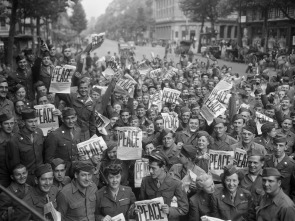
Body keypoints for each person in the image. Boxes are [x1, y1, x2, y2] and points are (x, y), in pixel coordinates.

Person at [140, 150, 189, 221]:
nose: (150, 171)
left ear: (163, 167)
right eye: (149, 167)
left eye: (153, 168)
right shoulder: (145, 181)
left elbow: (184, 209)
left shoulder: (176, 183)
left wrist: (170, 210)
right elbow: (142, 202)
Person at [6, 109, 44, 185]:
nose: (34, 124)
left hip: (40, 176)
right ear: (23, 122)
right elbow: (15, 166)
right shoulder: (14, 140)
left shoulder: (39, 132)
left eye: (35, 121)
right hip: (26, 179)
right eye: (30, 122)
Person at [44, 107, 81, 173]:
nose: (71, 121)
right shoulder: (55, 135)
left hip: (76, 170)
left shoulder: (78, 130)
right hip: (62, 172)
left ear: (76, 117)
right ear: (62, 119)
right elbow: (48, 159)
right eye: (67, 119)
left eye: (73, 118)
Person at [264, 133, 295, 200]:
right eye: (276, 145)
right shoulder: (266, 160)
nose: (278, 148)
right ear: (272, 145)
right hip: (266, 199)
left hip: (282, 201)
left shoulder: (291, 164)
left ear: (286, 147)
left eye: (281, 145)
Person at [0, 113, 15, 187]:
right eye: (6, 123)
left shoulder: (16, 138)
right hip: (2, 179)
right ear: (1, 125)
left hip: (16, 177)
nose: (9, 126)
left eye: (11, 123)